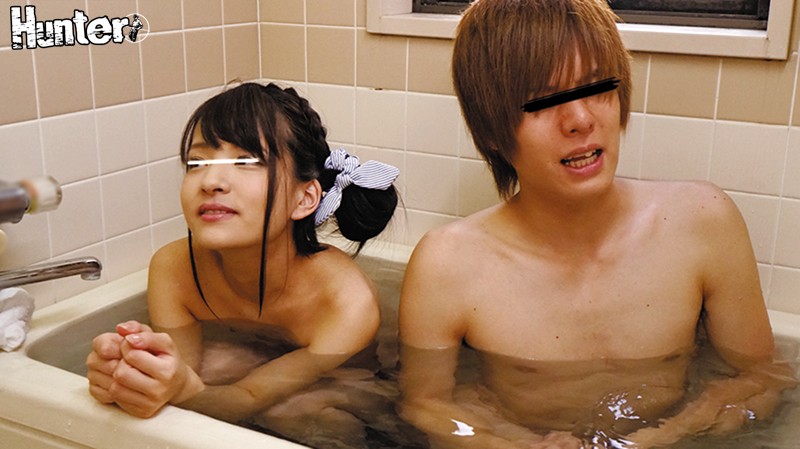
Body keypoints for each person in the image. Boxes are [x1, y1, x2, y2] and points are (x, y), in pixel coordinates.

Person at [397, 0, 796, 448]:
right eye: (542, 101)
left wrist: (669, 434)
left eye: (596, 87)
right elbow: (427, 406)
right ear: (491, 132)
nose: (581, 120)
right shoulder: (448, 265)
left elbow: (763, 376)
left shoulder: (703, 223)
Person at [85, 82, 401, 442]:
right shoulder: (174, 268)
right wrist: (134, 369)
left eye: (246, 161)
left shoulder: (344, 301)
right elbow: (181, 370)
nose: (211, 181)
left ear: (304, 198)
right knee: (216, 364)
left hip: (342, 387)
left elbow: (243, 397)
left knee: (303, 413)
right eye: (197, 163)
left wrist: (183, 389)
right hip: (252, 362)